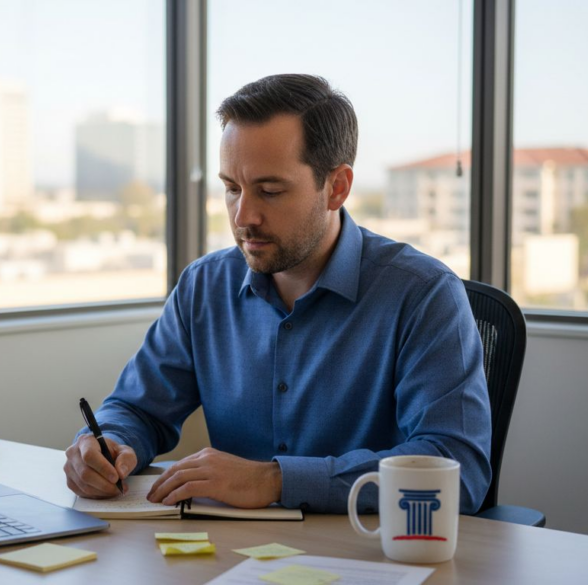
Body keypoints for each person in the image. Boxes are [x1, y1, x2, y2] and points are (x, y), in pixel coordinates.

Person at [64, 74, 491, 514]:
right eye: (231, 188)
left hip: (366, 557)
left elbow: (457, 468)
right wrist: (107, 444)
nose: (243, 215)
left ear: (337, 187)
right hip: (233, 555)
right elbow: (137, 408)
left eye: (270, 191)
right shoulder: (203, 287)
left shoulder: (423, 295)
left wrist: (275, 480)